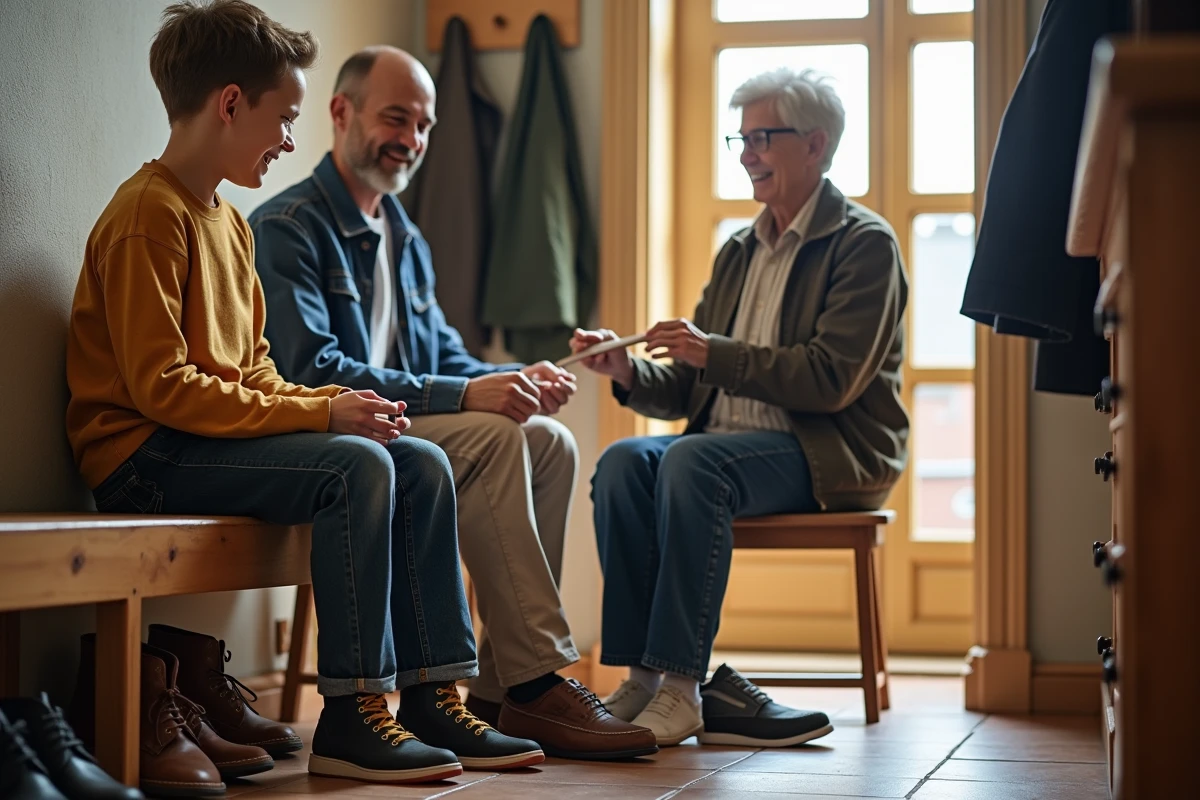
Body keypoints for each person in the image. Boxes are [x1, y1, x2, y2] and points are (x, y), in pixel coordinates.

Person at [64, 0, 545, 783]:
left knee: (415, 459)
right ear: (229, 104)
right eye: (284, 118)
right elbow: (161, 390)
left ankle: (432, 695)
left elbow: (252, 371)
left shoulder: (229, 222)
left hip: (200, 441)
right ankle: (354, 715)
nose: (291, 138)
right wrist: (323, 410)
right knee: (357, 468)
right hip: (143, 455)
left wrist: (332, 408)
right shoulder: (149, 215)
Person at [248, 46, 657, 761]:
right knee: (497, 439)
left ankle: (502, 689)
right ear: (341, 113)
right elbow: (311, 368)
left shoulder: (405, 237)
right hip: (333, 428)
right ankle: (540, 681)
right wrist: (471, 393)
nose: (412, 139)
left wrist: (513, 378)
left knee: (546, 441)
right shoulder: (288, 227)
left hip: (401, 421)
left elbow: (443, 358)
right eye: (396, 117)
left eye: (426, 125)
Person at [572, 66, 910, 747]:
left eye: (762, 137)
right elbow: (696, 388)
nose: (748, 154)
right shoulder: (737, 251)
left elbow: (831, 379)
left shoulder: (865, 245)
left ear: (814, 146)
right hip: (728, 446)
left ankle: (682, 685)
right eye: (741, 138)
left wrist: (712, 352)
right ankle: (641, 673)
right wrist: (629, 371)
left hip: (831, 451)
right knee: (621, 463)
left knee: (693, 463)